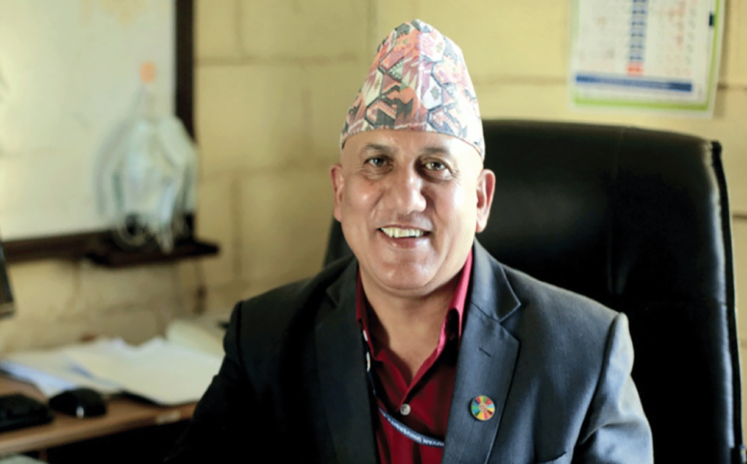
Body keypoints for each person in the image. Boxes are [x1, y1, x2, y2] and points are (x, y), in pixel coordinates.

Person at [165, 19, 653, 464]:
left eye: (435, 166)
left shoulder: (585, 353)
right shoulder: (265, 339)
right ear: (340, 192)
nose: (404, 198)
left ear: (481, 200)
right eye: (377, 162)